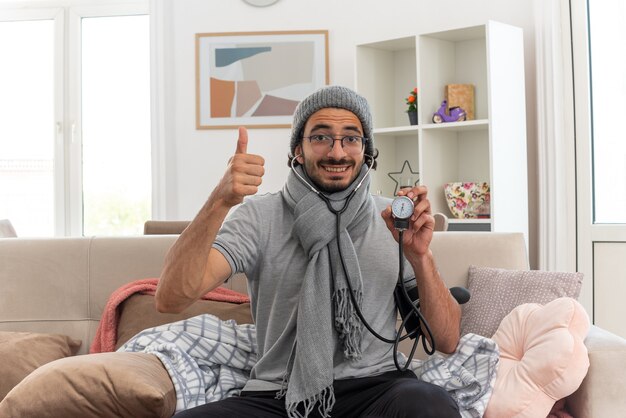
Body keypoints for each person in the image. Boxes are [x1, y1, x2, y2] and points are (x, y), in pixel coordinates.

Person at [156, 85, 462, 418]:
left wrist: (420, 257)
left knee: (429, 404)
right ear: (298, 151)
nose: (337, 153)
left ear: (367, 151)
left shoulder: (394, 221)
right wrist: (220, 200)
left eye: (351, 138)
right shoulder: (259, 216)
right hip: (278, 395)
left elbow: (445, 340)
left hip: (375, 389)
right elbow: (171, 298)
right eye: (320, 137)